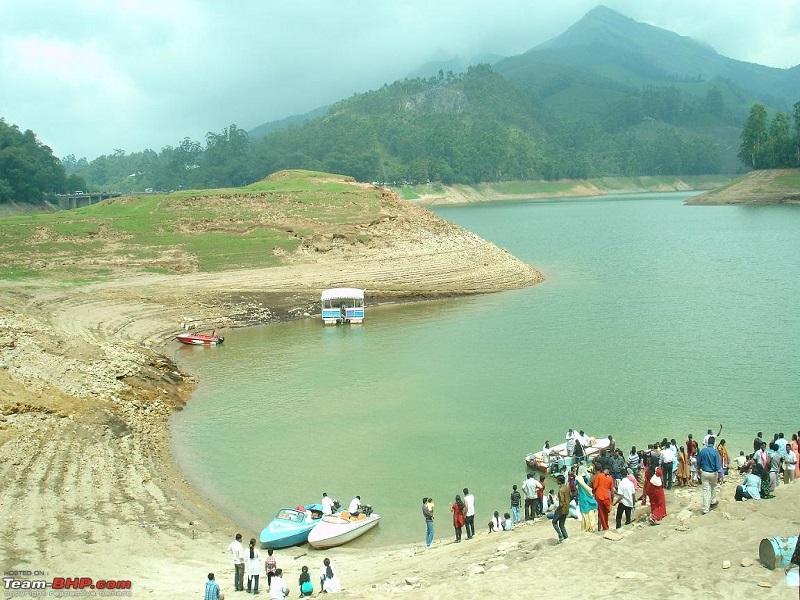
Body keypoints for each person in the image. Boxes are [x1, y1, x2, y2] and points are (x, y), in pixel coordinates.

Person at [696, 435, 722, 514]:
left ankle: (705, 509)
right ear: (714, 443)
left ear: (707, 442)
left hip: (705, 472)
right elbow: (718, 465)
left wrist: (698, 470)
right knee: (714, 487)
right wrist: (720, 476)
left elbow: (698, 462)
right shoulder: (715, 452)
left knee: (705, 491)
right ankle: (713, 501)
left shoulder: (703, 451)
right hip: (713, 473)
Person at [575, 466, 598, 532]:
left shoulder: (578, 479)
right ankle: (592, 527)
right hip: (588, 495)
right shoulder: (588, 478)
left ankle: (586, 527)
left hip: (582, 497)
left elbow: (574, 486)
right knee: (590, 511)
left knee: (584, 512)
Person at [592, 467, 615, 531]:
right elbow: (612, 492)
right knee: (606, 513)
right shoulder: (610, 479)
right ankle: (606, 526)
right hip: (607, 497)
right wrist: (612, 501)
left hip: (599, 496)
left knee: (601, 513)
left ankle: (604, 527)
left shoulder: (599, 476)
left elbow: (595, 486)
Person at [552, 474, 570, 542]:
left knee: (554, 522)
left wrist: (557, 509)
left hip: (562, 509)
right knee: (562, 524)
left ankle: (560, 536)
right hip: (567, 508)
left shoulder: (560, 490)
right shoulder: (567, 487)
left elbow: (561, 502)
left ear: (559, 481)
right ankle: (565, 537)